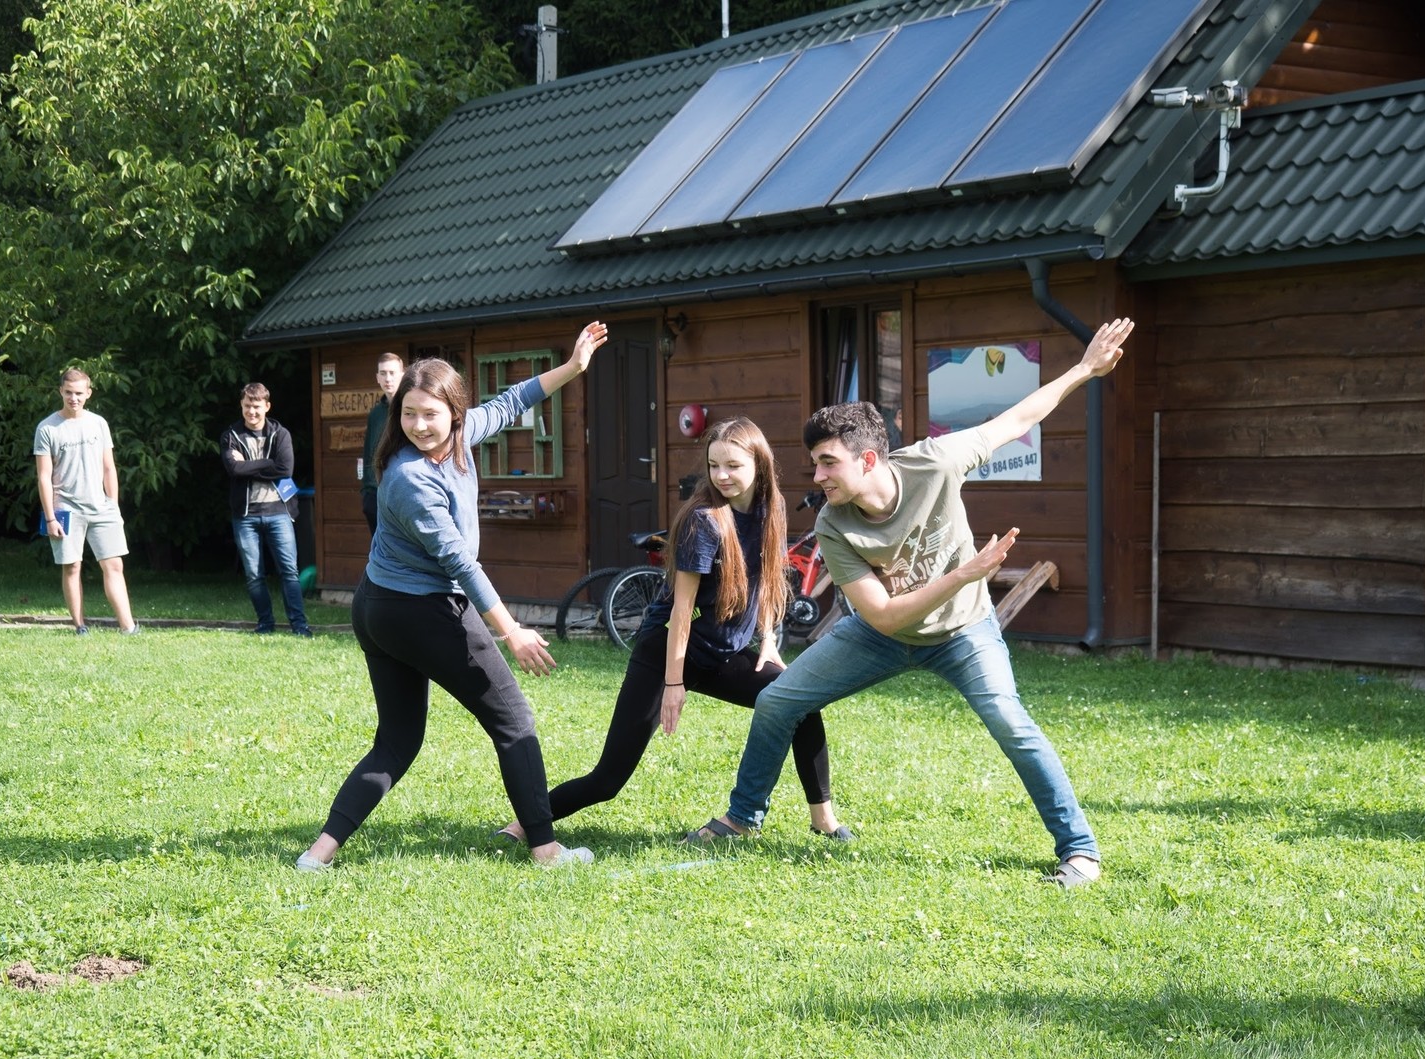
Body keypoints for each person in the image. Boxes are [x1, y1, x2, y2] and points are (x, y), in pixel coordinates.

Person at [691, 318, 1135, 887]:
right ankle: (743, 817)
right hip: (881, 635)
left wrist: (1085, 369)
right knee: (778, 701)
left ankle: (1081, 852)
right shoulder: (834, 524)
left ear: (868, 460)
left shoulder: (937, 462)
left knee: (1010, 721)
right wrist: (965, 573)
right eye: (815, 463)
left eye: (828, 462)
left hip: (962, 631)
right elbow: (882, 615)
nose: (817, 475)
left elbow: (1017, 419)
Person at [296, 321, 609, 872]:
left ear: (455, 414)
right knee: (514, 721)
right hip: (417, 611)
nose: (418, 425)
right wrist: (511, 631)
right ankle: (545, 850)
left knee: (397, 740)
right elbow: (459, 562)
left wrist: (574, 367)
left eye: (430, 414)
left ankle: (318, 853)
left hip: (379, 607)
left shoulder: (459, 438)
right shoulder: (410, 478)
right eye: (408, 414)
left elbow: (512, 401)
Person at [497, 416, 848, 847]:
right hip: (665, 652)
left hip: (722, 655)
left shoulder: (769, 510)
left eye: (733, 466)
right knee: (608, 778)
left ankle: (824, 821)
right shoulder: (704, 520)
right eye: (714, 465)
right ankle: (525, 824)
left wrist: (769, 640)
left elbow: (768, 580)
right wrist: (674, 683)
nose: (722, 476)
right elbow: (682, 609)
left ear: (759, 464)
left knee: (801, 703)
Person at [33, 368, 139, 635]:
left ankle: (128, 627)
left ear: (88, 393)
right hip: (65, 509)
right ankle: (80, 626)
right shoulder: (47, 428)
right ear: (60, 391)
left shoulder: (98, 423)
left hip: (102, 508)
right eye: (69, 392)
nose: (74, 398)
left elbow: (109, 468)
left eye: (79, 393)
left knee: (114, 565)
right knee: (72, 567)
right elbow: (44, 477)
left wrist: (113, 505)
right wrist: (50, 517)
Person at [220, 382, 312, 637]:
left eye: (257, 406)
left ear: (267, 407)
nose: (252, 411)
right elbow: (234, 469)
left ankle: (300, 626)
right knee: (254, 574)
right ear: (241, 406)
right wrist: (268, 464)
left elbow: (285, 470)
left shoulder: (280, 434)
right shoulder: (231, 436)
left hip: (279, 512)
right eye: (247, 406)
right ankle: (265, 624)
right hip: (245, 515)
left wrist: (249, 466)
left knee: (289, 571)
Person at [360, 352, 404, 536]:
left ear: (402, 375)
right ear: (377, 377)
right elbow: (368, 453)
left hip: (401, 494)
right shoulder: (375, 414)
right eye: (383, 373)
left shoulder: (409, 410)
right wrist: (366, 492)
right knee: (378, 549)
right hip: (374, 495)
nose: (388, 378)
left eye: (392, 373)